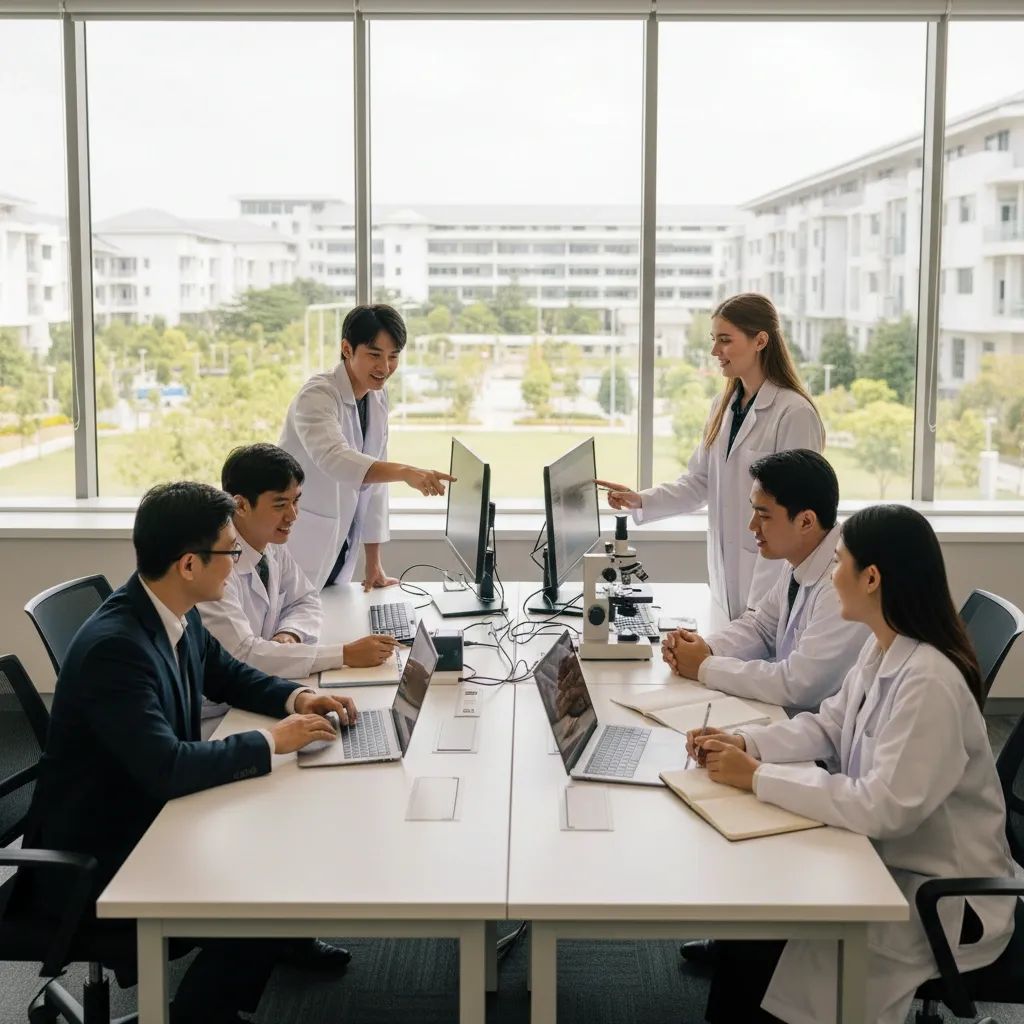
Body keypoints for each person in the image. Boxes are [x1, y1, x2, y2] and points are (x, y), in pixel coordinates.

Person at [16, 482, 360, 1023]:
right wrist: (275, 740)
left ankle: (273, 949)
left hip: (148, 810)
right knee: (262, 887)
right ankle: (203, 1013)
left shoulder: (172, 607)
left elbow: (228, 675)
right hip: (103, 855)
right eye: (229, 551)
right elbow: (169, 768)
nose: (238, 562)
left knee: (280, 834)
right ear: (189, 565)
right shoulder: (117, 648)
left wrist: (300, 696)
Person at [687, 504, 1015, 1024]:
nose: (830, 576)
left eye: (838, 562)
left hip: (935, 896)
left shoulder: (929, 681)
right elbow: (828, 725)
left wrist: (759, 778)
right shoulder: (886, 647)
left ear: (871, 578)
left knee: (767, 939)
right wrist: (747, 743)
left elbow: (882, 809)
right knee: (753, 925)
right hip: (884, 858)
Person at [596, 293, 824, 621]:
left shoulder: (794, 414)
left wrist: (760, 605)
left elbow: (797, 519)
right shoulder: (723, 405)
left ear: (760, 340)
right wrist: (640, 500)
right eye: (714, 340)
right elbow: (700, 482)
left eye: (725, 340)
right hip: (724, 582)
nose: (715, 351)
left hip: (770, 587)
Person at [663, 449, 867, 713]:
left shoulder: (841, 584)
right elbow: (762, 627)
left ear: (806, 521)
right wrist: (707, 648)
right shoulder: (802, 557)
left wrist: (704, 666)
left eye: (764, 515)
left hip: (821, 740)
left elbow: (798, 685)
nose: (752, 526)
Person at [198, 443, 398, 705]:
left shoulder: (269, 546)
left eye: (296, 501)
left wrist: (290, 634)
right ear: (241, 506)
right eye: (280, 504)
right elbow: (243, 655)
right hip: (218, 712)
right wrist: (344, 654)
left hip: (261, 689)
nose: (292, 515)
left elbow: (305, 599)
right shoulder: (215, 565)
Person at [279, 303, 455, 590]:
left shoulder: (376, 397)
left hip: (340, 547)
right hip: (302, 543)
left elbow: (374, 486)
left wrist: (373, 564)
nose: (384, 368)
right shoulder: (317, 396)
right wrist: (406, 472)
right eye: (374, 355)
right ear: (347, 349)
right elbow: (336, 459)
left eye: (393, 357)